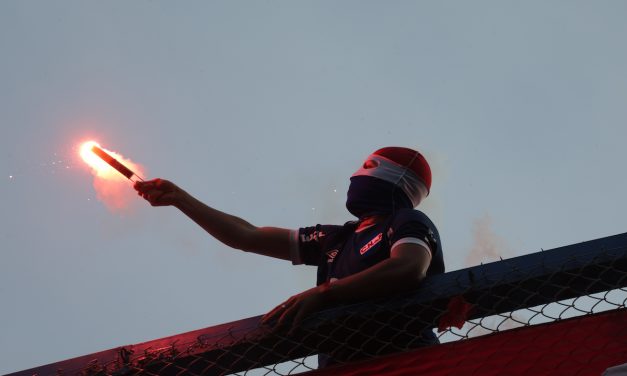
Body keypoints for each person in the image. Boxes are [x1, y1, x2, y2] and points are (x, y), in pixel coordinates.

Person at [134, 146, 444, 366]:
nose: (355, 176)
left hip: (407, 361)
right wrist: (180, 199)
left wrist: (325, 293)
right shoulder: (336, 238)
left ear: (395, 180)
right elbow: (246, 236)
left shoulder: (407, 222)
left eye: (368, 167)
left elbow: (408, 267)